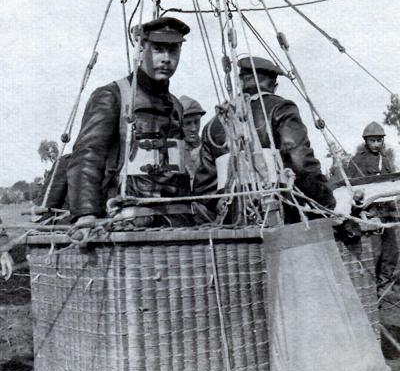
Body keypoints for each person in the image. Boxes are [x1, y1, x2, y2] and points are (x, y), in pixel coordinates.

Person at [67, 17, 193, 227]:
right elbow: (88, 155)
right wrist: (86, 212)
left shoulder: (176, 106)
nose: (166, 59)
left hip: (176, 221)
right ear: (141, 49)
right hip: (127, 219)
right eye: (159, 49)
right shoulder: (112, 95)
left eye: (173, 51)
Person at [193, 56, 336, 223]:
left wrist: (228, 206)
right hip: (281, 215)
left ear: (240, 82)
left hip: (234, 224)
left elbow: (203, 187)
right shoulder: (281, 108)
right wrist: (325, 202)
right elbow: (301, 164)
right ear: (274, 86)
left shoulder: (214, 124)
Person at [347, 122, 399, 297]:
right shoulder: (357, 161)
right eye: (372, 141)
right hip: (369, 215)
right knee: (374, 254)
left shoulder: (386, 161)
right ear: (366, 141)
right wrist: (360, 211)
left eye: (379, 140)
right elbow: (350, 189)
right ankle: (371, 290)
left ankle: (383, 286)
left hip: (387, 214)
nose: (376, 144)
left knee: (391, 252)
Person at [179, 95, 206, 187]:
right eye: (187, 123)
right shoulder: (173, 152)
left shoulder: (207, 147)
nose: (194, 128)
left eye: (196, 122)